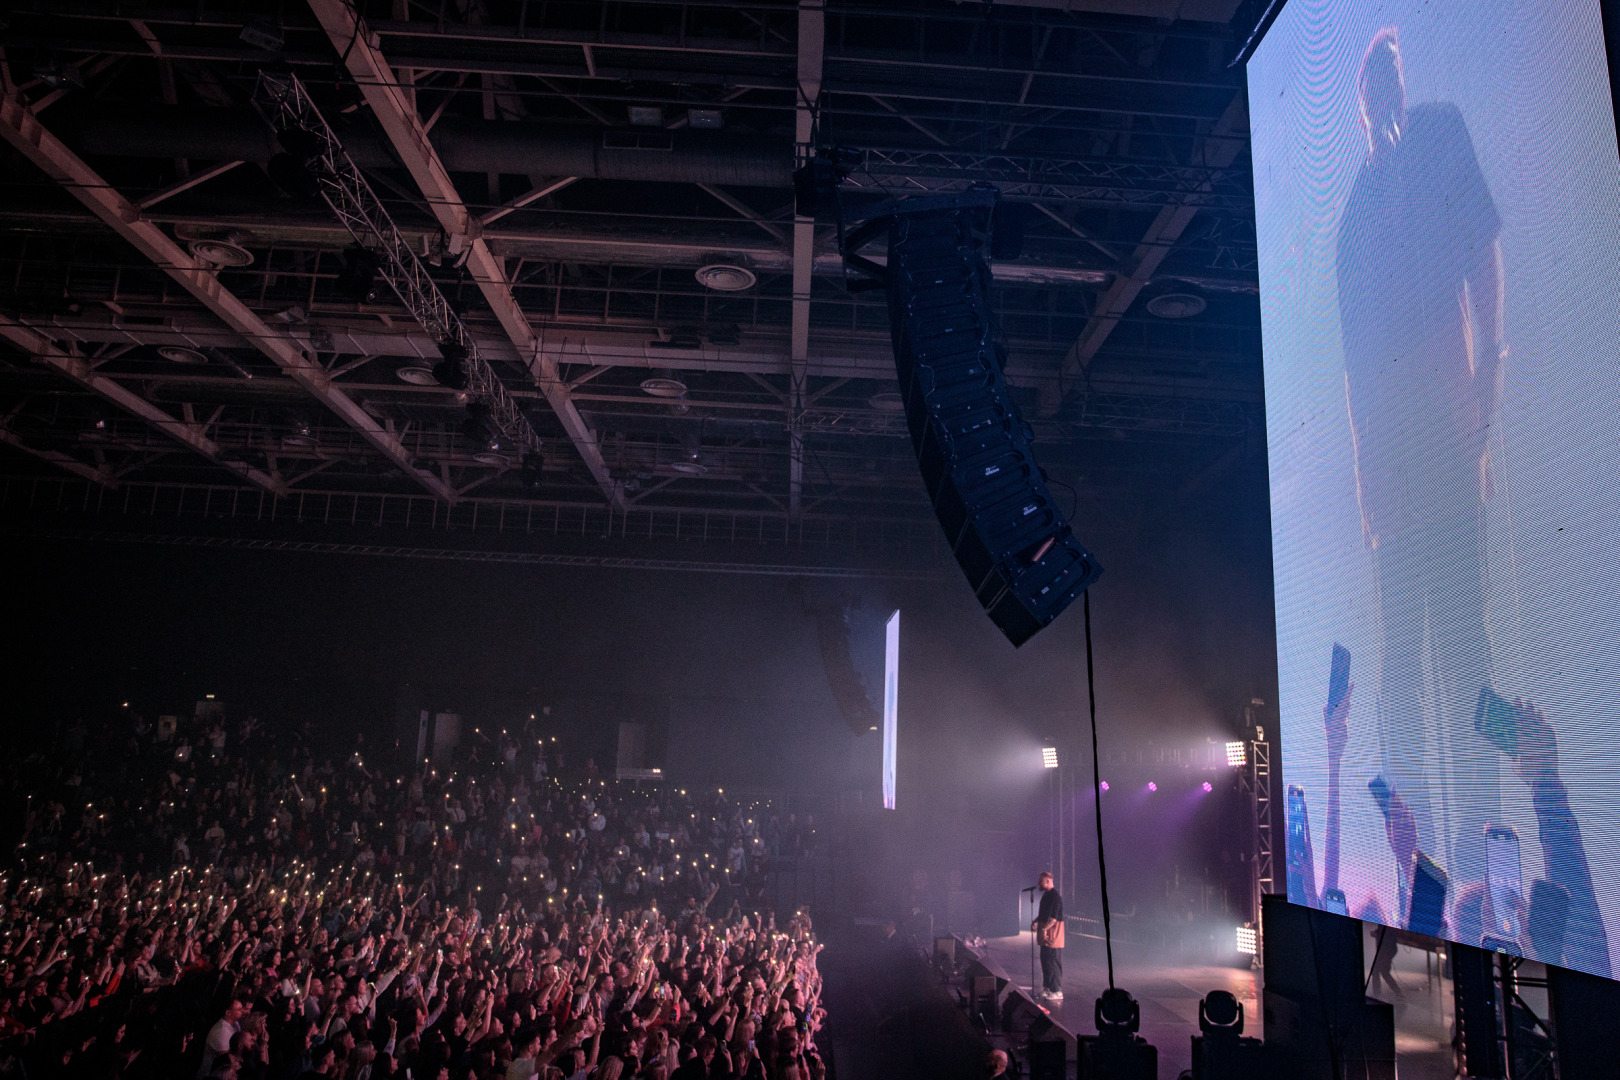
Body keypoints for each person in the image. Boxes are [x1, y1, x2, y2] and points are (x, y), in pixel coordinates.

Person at [1336, 25, 1505, 887]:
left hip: (1445, 429)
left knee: (1463, 643)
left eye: (1386, 84)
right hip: (1397, 472)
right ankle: (1419, 856)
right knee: (1404, 660)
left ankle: (1480, 837)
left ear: (1400, 87)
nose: (1381, 104)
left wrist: (1489, 377)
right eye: (1369, 92)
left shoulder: (1440, 136)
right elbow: (1356, 371)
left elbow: (1483, 254)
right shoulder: (1356, 213)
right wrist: (1367, 487)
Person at [1031, 871, 1064, 1001]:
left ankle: (1057, 990)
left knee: (1053, 962)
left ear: (1048, 882)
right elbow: (1043, 914)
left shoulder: (1055, 897)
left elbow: (1054, 918)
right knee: (1045, 961)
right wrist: (1035, 922)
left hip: (1053, 935)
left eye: (1041, 882)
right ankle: (1048, 987)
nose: (1038, 884)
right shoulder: (1046, 896)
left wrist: (1044, 929)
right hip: (1045, 934)